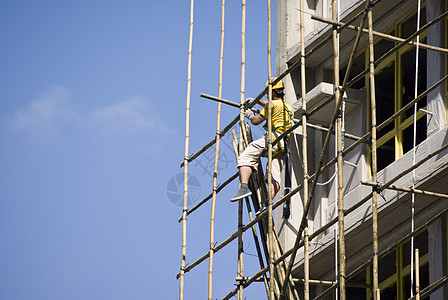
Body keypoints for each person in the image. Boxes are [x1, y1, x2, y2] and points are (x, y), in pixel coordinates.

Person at [230, 77, 293, 212]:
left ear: (272, 92)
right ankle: (268, 203)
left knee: (246, 156)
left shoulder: (272, 105)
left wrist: (249, 115)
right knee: (273, 174)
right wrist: (257, 101)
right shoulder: (287, 107)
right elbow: (273, 105)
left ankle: (244, 187)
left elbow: (256, 121)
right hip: (284, 145)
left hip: (273, 138)